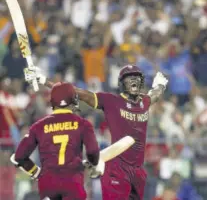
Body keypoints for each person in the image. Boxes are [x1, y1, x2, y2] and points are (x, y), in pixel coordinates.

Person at [24, 64, 168, 199]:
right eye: (130, 78)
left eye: (136, 78)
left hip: (138, 170)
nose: (134, 81)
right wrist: (44, 80)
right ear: (121, 83)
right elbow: (78, 93)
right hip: (117, 169)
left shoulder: (144, 102)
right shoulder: (111, 101)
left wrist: (160, 85)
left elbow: (154, 94)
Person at [10, 82, 105, 200]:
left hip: (48, 185)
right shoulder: (83, 124)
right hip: (73, 184)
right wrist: (94, 164)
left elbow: (19, 156)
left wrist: (36, 172)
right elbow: (92, 152)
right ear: (73, 100)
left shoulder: (38, 126)